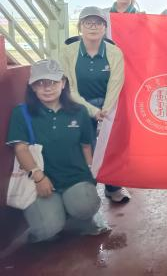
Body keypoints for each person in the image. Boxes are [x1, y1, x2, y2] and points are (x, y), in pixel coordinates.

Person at [5, 60, 108, 242]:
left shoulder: (79, 111)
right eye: (40, 83)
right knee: (46, 229)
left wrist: (91, 173)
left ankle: (76, 214)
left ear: (63, 83)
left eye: (53, 81)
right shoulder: (21, 113)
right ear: (32, 87)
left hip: (75, 177)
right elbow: (20, 148)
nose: (47, 88)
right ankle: (60, 216)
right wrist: (39, 177)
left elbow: (86, 145)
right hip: (40, 182)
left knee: (85, 205)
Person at [60, 6, 129, 203]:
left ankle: (113, 187)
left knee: (112, 144)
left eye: (98, 23)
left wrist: (105, 110)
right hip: (78, 103)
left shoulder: (114, 52)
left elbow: (116, 83)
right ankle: (86, 187)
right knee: (85, 145)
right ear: (80, 27)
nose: (93, 27)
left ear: (105, 28)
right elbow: (69, 88)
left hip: (109, 103)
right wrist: (92, 111)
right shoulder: (68, 51)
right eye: (88, 23)